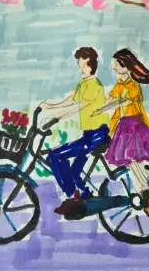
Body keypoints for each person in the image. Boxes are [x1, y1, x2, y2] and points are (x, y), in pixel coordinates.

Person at [92, 48, 149, 209]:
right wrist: (98, 107)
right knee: (131, 160)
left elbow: (121, 101)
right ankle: (143, 189)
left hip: (133, 125)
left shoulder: (133, 86)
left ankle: (145, 189)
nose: (114, 67)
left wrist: (101, 109)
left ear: (126, 66)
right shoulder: (120, 85)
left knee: (133, 158)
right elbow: (111, 99)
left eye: (117, 64)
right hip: (123, 125)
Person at [40, 47, 110, 214]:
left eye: (81, 62)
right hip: (89, 135)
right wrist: (50, 106)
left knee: (55, 156)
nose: (79, 65)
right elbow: (71, 99)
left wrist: (56, 116)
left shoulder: (93, 85)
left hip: (97, 134)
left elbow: (79, 106)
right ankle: (83, 194)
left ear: (88, 64)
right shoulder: (84, 83)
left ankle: (72, 196)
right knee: (74, 172)